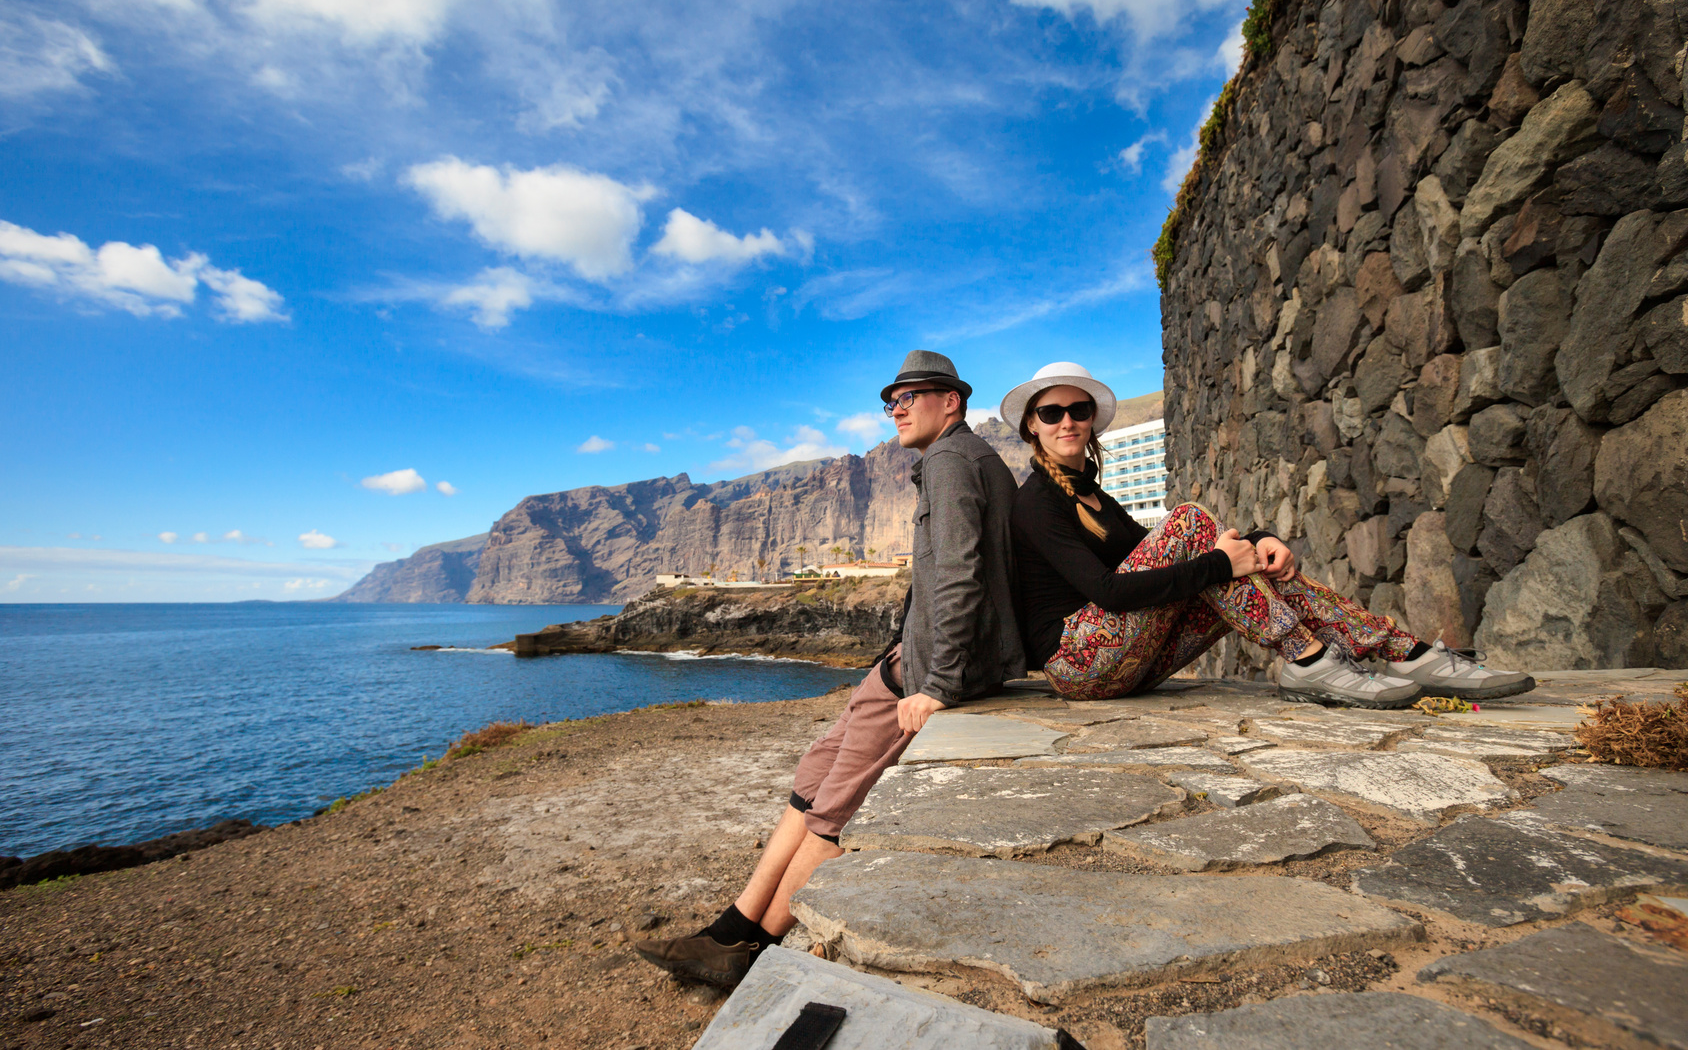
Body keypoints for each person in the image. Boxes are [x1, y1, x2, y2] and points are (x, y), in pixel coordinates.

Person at [634, 350, 1024, 987]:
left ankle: (750, 950)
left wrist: (939, 685)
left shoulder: (953, 461)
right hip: (903, 663)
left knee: (834, 808)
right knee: (814, 774)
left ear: (951, 400)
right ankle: (728, 928)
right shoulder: (951, 461)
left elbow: (961, 576)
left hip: (923, 675)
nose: (895, 409)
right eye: (889, 400)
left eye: (909, 397)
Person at [1004, 361, 1536, 709]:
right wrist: (1221, 562)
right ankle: (1310, 659)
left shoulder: (1097, 498)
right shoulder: (1036, 502)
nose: (1067, 421)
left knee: (1220, 557)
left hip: (1129, 662)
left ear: (1091, 420)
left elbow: (1160, 564)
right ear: (1032, 425)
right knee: (1190, 522)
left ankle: (1406, 652)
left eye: (1078, 410)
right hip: (1078, 666)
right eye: (1052, 412)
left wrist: (1257, 541)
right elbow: (1110, 592)